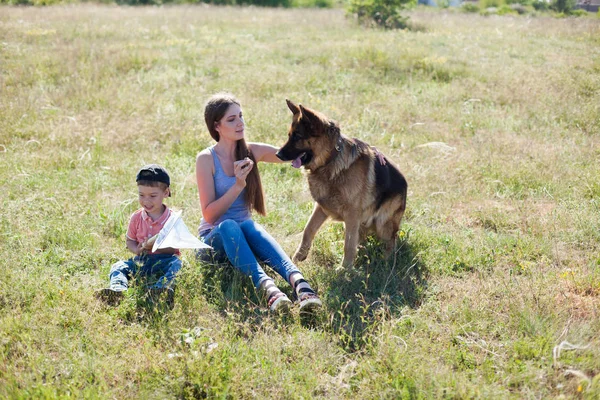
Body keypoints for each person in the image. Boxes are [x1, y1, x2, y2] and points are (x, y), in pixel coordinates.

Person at [195, 93, 322, 314]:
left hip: (245, 234)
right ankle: (269, 289)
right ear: (217, 126)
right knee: (230, 225)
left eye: (241, 116)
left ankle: (300, 284)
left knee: (247, 225)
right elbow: (209, 216)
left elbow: (291, 155)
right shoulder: (206, 159)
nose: (240, 123)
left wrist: (322, 137)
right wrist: (238, 185)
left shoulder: (251, 151)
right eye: (232, 119)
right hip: (214, 241)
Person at [96, 164, 181, 306]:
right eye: (141, 195)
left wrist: (156, 245)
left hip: (166, 259)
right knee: (119, 266)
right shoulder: (136, 217)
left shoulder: (172, 219)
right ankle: (117, 290)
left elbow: (175, 248)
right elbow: (130, 240)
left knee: (177, 264)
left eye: (153, 196)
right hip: (142, 260)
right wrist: (137, 249)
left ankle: (162, 289)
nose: (146, 201)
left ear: (166, 193)